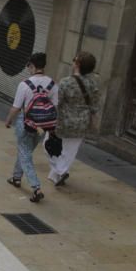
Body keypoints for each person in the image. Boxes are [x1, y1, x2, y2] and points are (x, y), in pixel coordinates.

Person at [4, 52, 58, 203]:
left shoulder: (25, 84)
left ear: (32, 66)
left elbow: (16, 107)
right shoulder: (53, 84)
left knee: (25, 154)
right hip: (43, 127)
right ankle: (16, 178)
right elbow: (56, 107)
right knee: (25, 151)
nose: (28, 68)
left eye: (28, 66)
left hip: (26, 123)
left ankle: (36, 188)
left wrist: (8, 120)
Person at [45, 51, 100, 186]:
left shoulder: (66, 82)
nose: (72, 61)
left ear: (78, 64)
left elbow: (58, 103)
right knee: (70, 151)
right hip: (82, 122)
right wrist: (94, 122)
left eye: (74, 59)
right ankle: (60, 172)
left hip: (64, 121)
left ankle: (59, 171)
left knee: (48, 145)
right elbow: (94, 106)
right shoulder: (93, 84)